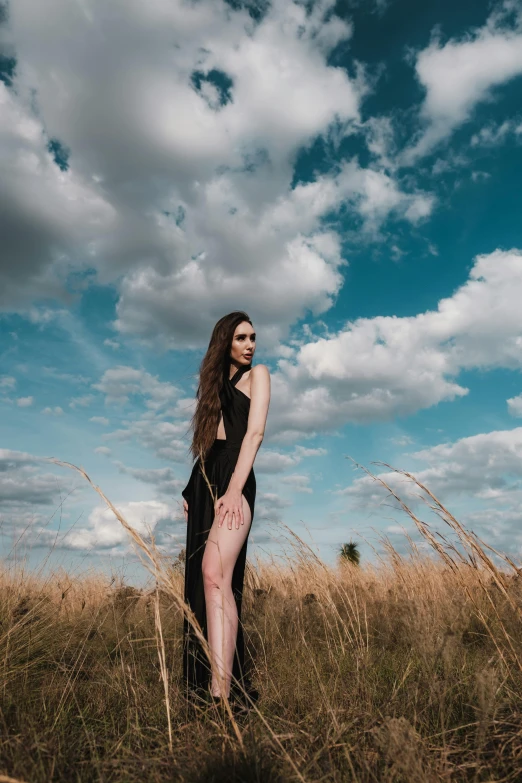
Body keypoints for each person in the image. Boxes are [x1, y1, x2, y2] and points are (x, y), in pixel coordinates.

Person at [181, 311, 271, 712]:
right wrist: (191, 487)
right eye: (241, 338)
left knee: (215, 575)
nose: (250, 344)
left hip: (236, 476)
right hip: (206, 477)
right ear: (225, 343)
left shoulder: (260, 375)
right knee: (211, 582)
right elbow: (207, 442)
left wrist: (235, 489)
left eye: (252, 337)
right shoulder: (215, 385)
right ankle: (216, 687)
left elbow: (254, 434)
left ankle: (224, 694)